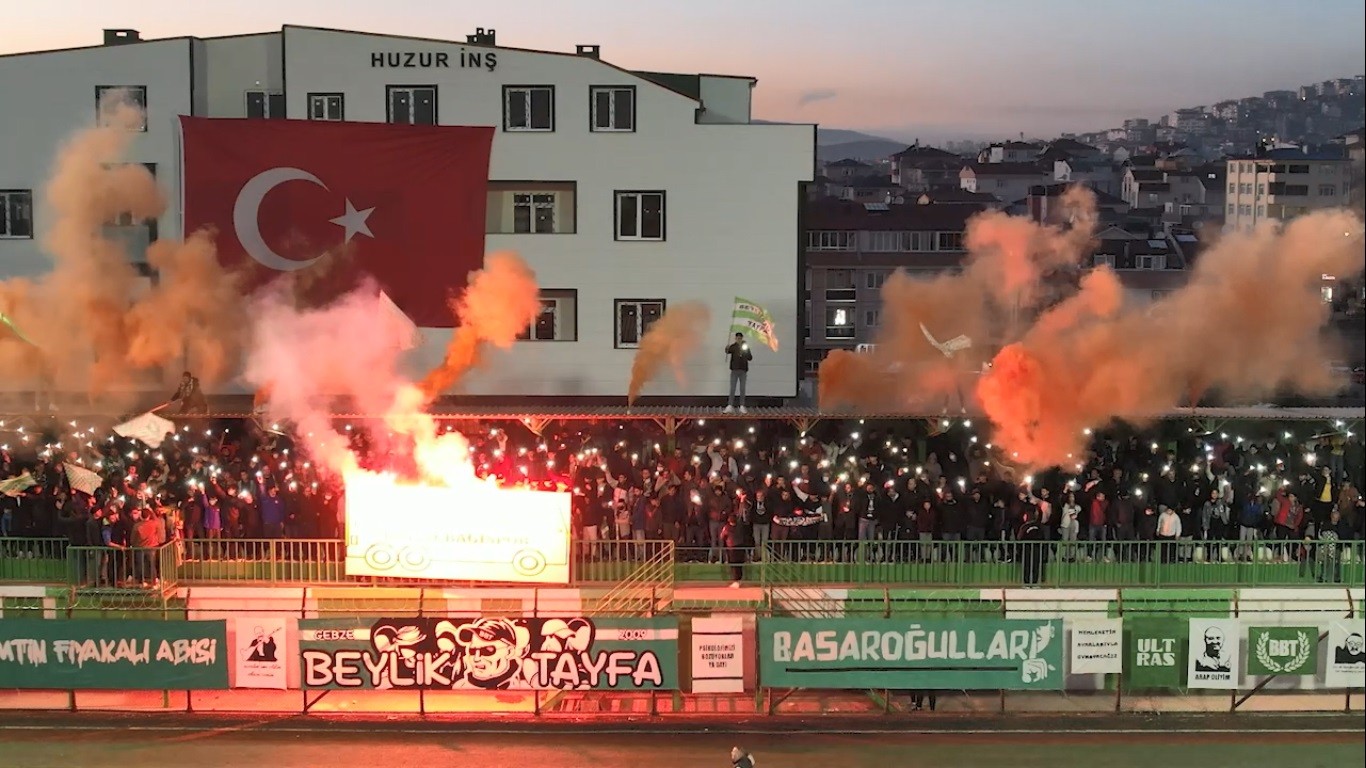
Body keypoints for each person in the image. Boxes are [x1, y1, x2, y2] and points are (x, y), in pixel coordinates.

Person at [723, 333, 753, 414]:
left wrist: (746, 351)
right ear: (735, 338)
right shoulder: (733, 346)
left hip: (743, 370)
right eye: (737, 338)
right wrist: (726, 348)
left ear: (742, 338)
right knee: (732, 388)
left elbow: (750, 358)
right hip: (734, 370)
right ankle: (730, 405)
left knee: (742, 389)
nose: (738, 340)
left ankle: (742, 406)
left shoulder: (745, 346)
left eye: (740, 338)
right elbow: (728, 351)